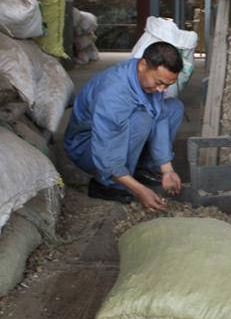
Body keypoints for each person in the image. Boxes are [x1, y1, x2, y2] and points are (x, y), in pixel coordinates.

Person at [64, 42, 185, 211]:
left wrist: (167, 170)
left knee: (173, 108)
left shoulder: (146, 79)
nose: (161, 89)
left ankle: (141, 170)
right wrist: (140, 191)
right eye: (159, 82)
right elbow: (107, 155)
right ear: (142, 65)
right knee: (142, 120)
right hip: (89, 147)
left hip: (117, 135)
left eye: (167, 85)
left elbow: (160, 117)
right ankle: (107, 185)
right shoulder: (113, 93)